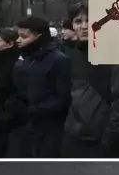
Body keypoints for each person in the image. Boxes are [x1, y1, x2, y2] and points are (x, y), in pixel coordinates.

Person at [61, 2, 119, 158]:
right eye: (78, 21)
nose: (84, 26)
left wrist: (111, 138)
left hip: (103, 141)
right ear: (72, 26)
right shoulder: (72, 55)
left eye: (89, 20)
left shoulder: (114, 55)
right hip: (74, 138)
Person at [15, 16, 71, 158]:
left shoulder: (59, 60)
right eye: (18, 36)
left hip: (52, 128)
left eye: (24, 36)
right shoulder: (29, 59)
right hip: (31, 125)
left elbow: (63, 99)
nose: (18, 40)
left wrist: (35, 108)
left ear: (39, 37)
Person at [0, 28, 24, 158]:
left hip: (7, 123)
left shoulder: (17, 65)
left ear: (9, 44)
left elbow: (21, 94)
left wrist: (5, 115)